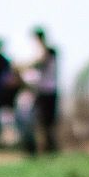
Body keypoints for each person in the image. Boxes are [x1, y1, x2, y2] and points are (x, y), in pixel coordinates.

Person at [17, 27, 61, 155]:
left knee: (44, 121)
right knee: (44, 122)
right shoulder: (46, 51)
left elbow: (38, 63)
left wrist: (21, 66)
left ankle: (47, 148)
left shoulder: (46, 51)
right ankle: (46, 147)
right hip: (46, 90)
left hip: (46, 91)